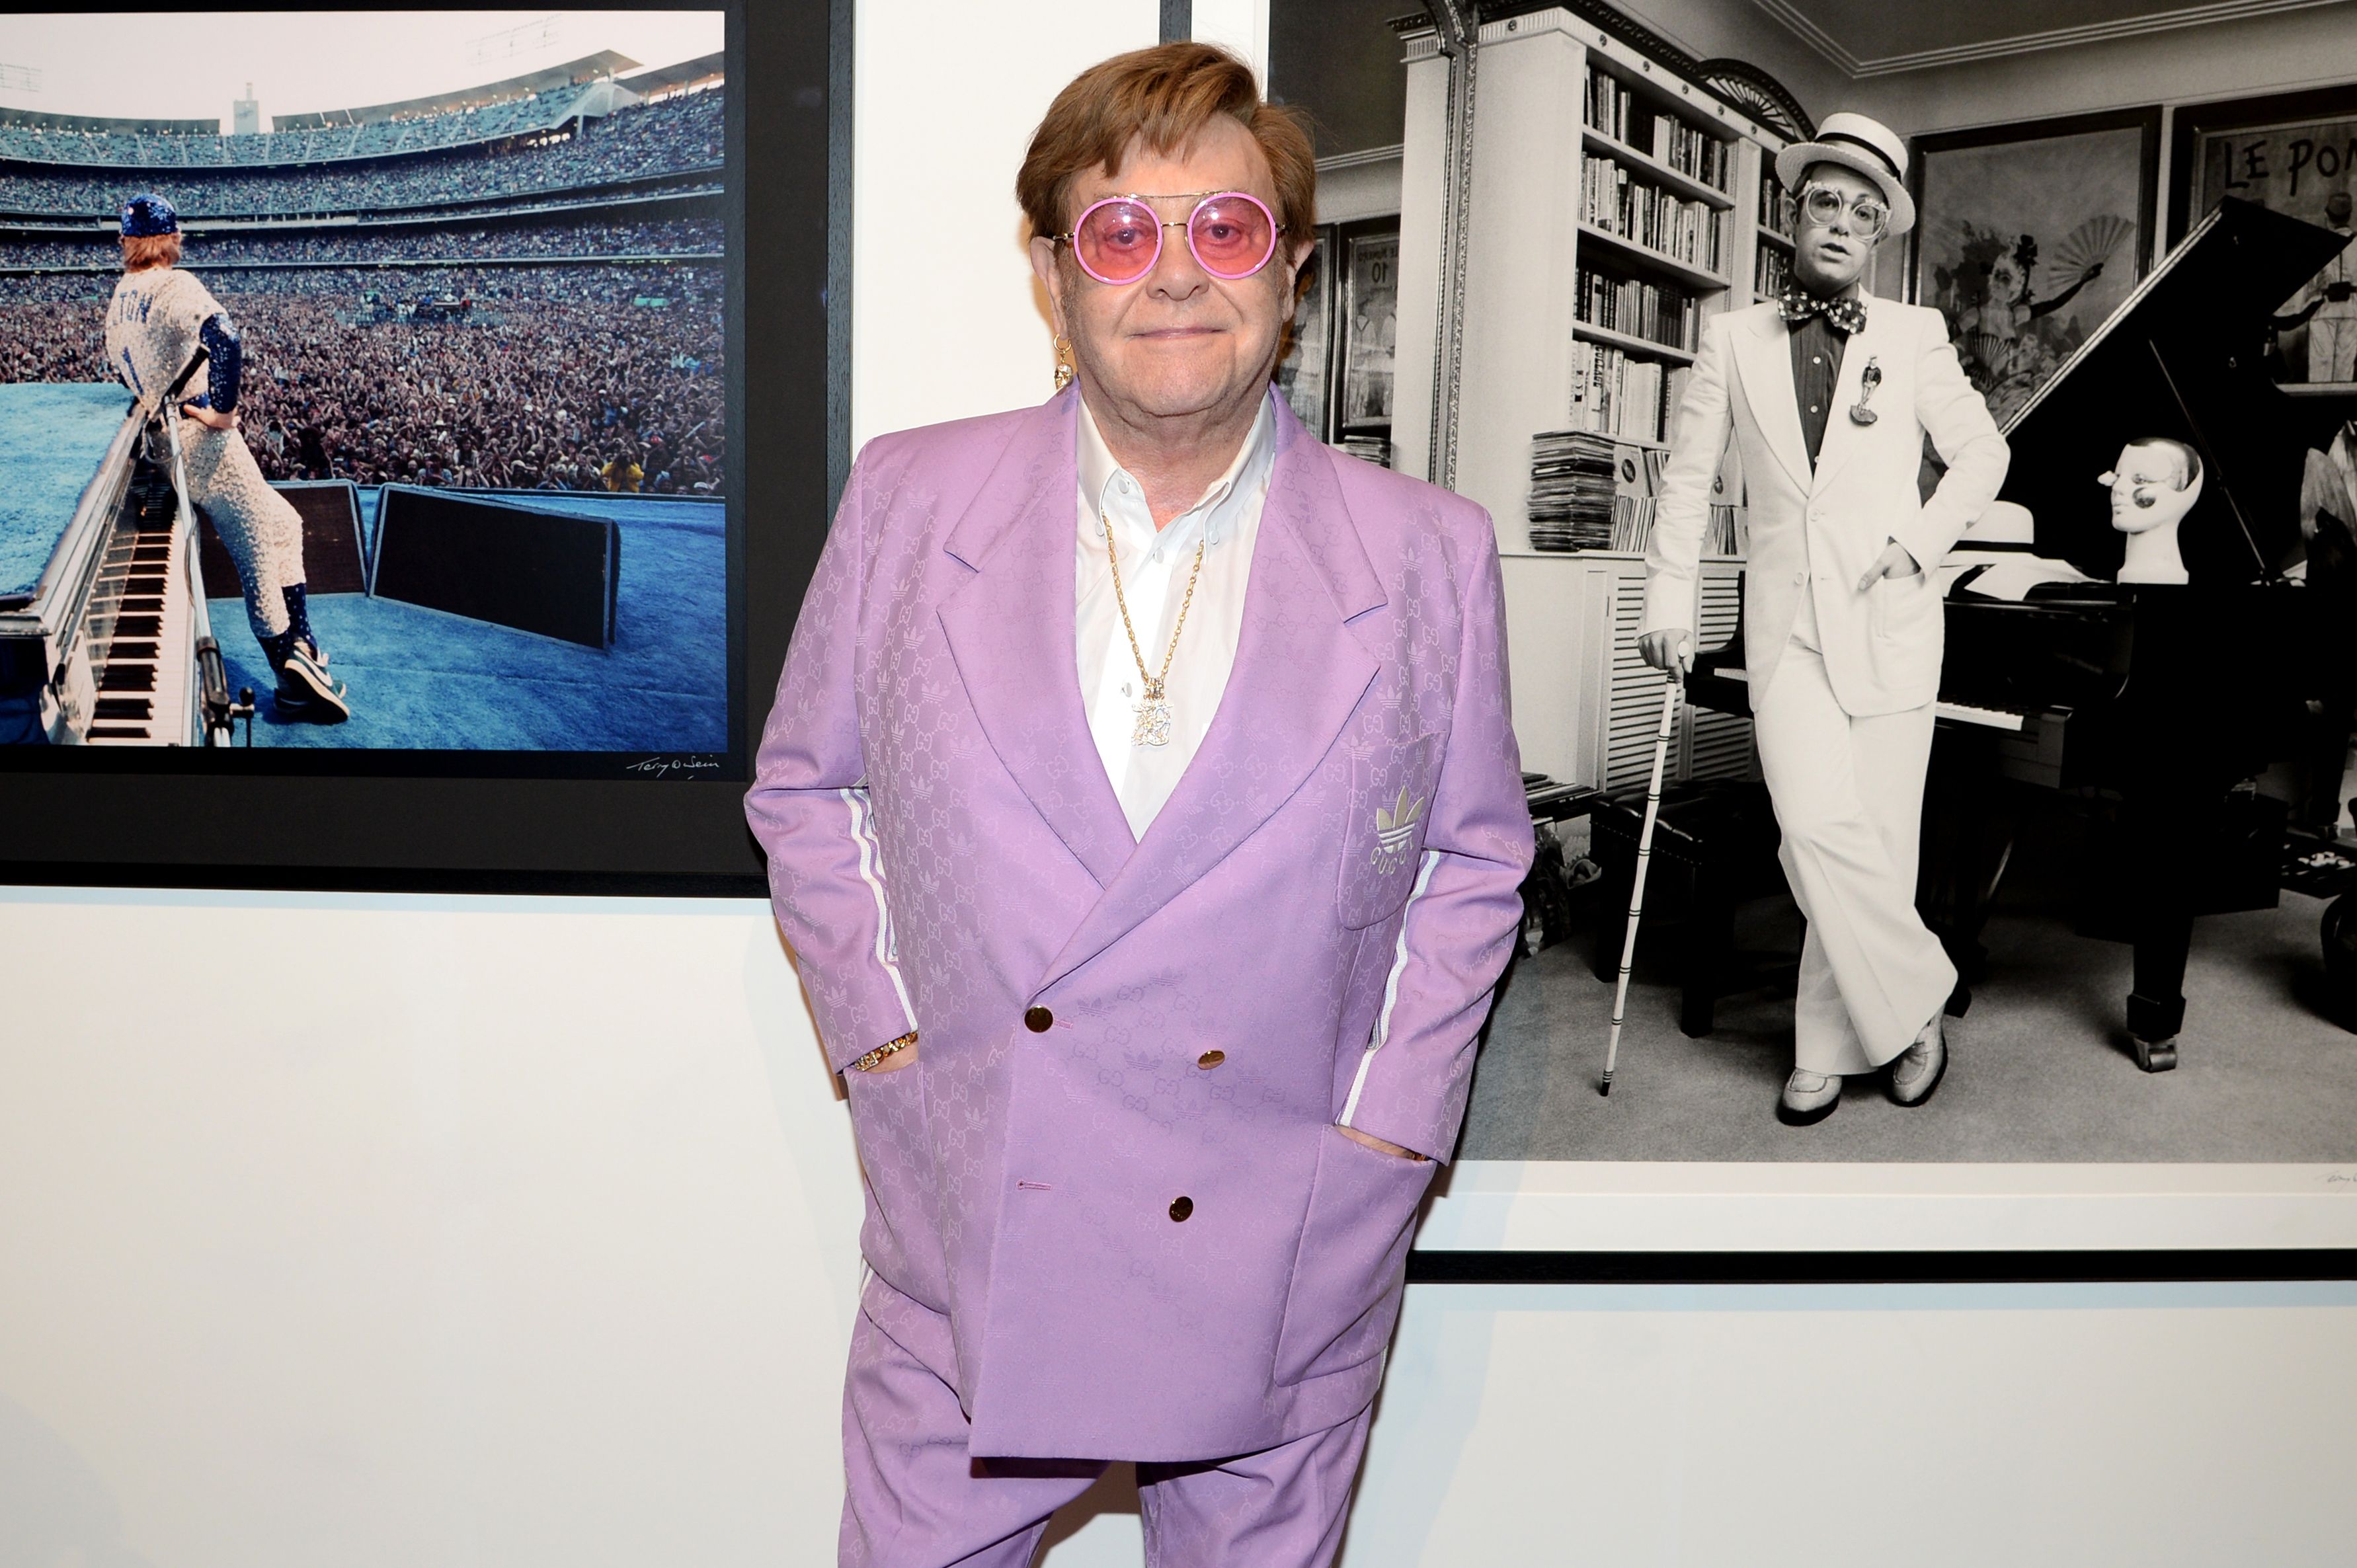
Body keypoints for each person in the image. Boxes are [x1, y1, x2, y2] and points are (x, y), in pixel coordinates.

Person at [745, 42, 1531, 1568]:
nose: (1175, 276)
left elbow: (1473, 858)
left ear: (1293, 268)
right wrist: (892, 1049)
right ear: (1053, 272)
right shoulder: (910, 498)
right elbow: (805, 785)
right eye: (1120, 233)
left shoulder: (1429, 550)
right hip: (973, 1225)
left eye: (1225, 229)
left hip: (1285, 1241)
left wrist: (1388, 1137)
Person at [1638, 112, 2009, 1126]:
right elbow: (1684, 485)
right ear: (1792, 214)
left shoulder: (1914, 334)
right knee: (1809, 830)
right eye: (1823, 201)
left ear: (1884, 231)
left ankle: (1830, 1044)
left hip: (1890, 615)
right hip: (1784, 628)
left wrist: (1920, 545)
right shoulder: (1730, 338)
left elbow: (1983, 457)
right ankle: (1921, 994)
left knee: (1878, 844)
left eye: (1862, 208)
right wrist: (1666, 601)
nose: (1840, 221)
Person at [103, 193, 348, 721]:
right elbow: (226, 339)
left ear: (126, 241)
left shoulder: (121, 295)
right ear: (172, 238)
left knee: (284, 520)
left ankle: (302, 645)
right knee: (257, 552)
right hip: (204, 443)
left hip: (161, 441)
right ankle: (291, 673)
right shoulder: (175, 283)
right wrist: (222, 410)